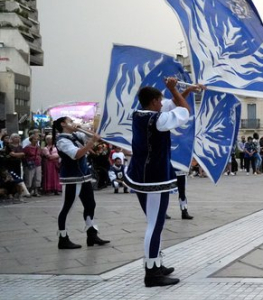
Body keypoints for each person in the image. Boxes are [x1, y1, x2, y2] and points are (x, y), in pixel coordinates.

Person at [124, 78, 192, 287]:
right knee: (155, 224)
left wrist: (186, 90)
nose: (163, 104)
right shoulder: (158, 120)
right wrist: (174, 88)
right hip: (153, 177)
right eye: (160, 101)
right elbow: (184, 110)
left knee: (155, 223)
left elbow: (174, 104)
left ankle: (156, 263)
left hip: (141, 174)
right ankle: (152, 272)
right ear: (154, 101)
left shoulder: (140, 115)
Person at [53, 117, 110, 250]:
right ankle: (63, 237)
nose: (73, 124)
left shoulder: (75, 135)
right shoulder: (62, 140)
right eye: (70, 121)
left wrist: (82, 129)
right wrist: (92, 141)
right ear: (63, 124)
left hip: (84, 176)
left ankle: (92, 234)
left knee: (90, 204)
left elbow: (95, 135)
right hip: (71, 177)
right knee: (67, 207)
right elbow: (77, 154)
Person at [22, 130, 44, 197]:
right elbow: (24, 155)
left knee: (37, 178)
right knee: (29, 177)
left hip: (38, 163)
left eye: (37, 139)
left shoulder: (38, 147)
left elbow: (41, 154)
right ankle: (27, 191)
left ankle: (36, 191)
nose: (36, 140)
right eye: (34, 139)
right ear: (31, 140)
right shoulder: (27, 147)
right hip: (30, 164)